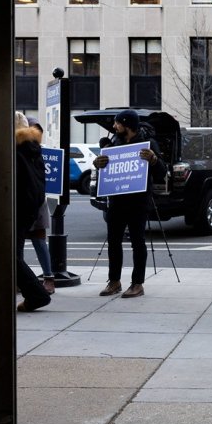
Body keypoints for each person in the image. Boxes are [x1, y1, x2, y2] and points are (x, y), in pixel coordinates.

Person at [90, 109, 166, 299]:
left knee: (137, 242)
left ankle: (137, 283)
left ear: (127, 124)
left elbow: (161, 173)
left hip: (138, 201)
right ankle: (114, 281)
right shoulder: (114, 143)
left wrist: (154, 160)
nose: (114, 127)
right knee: (113, 241)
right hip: (116, 199)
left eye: (117, 123)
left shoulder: (147, 145)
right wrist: (98, 164)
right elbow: (106, 171)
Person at [14, 112, 51, 312]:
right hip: (29, 209)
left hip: (18, 209)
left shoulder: (16, 150)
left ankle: (37, 294)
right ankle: (34, 294)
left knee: (10, 256)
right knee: (15, 254)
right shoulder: (32, 149)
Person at [20, 116, 55, 294]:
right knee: (22, 245)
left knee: (38, 240)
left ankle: (47, 278)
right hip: (32, 200)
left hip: (34, 201)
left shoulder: (32, 150)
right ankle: (26, 279)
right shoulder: (31, 149)